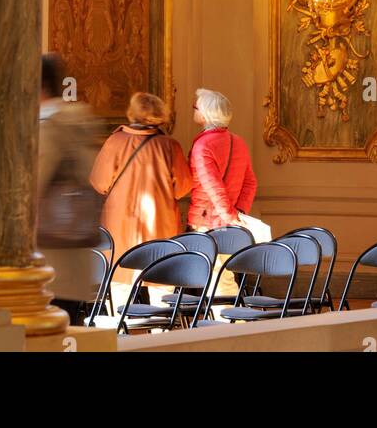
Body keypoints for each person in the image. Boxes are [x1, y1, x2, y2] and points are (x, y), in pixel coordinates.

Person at [90, 92, 192, 285]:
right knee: (161, 284)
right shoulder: (170, 145)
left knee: (120, 283)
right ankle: (160, 316)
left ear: (132, 112)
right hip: (160, 224)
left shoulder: (115, 142)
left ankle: (121, 316)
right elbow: (182, 188)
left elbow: (99, 182)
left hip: (120, 225)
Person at [37, 53, 103, 323]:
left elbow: (32, 185)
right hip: (77, 251)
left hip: (48, 254)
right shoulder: (81, 119)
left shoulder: (48, 123)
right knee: (70, 326)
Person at [188, 88, 257, 230]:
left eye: (196, 107)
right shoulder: (239, 142)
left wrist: (230, 217)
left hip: (205, 224)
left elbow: (213, 187)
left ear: (205, 115)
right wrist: (239, 212)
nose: (193, 109)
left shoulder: (203, 145)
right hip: (232, 223)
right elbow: (250, 182)